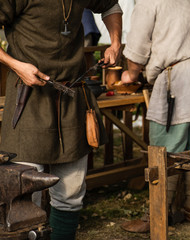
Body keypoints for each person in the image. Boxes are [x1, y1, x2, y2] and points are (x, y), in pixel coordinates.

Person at [0, 2, 122, 239]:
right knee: (24, 192)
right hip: (28, 100)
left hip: (72, 96)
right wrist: (16, 65)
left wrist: (115, 43)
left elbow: (111, 6)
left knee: (71, 192)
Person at [110, 0, 190, 228]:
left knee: (163, 150)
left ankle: (156, 216)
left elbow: (137, 46)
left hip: (179, 77)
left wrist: (130, 75)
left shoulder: (148, 2)